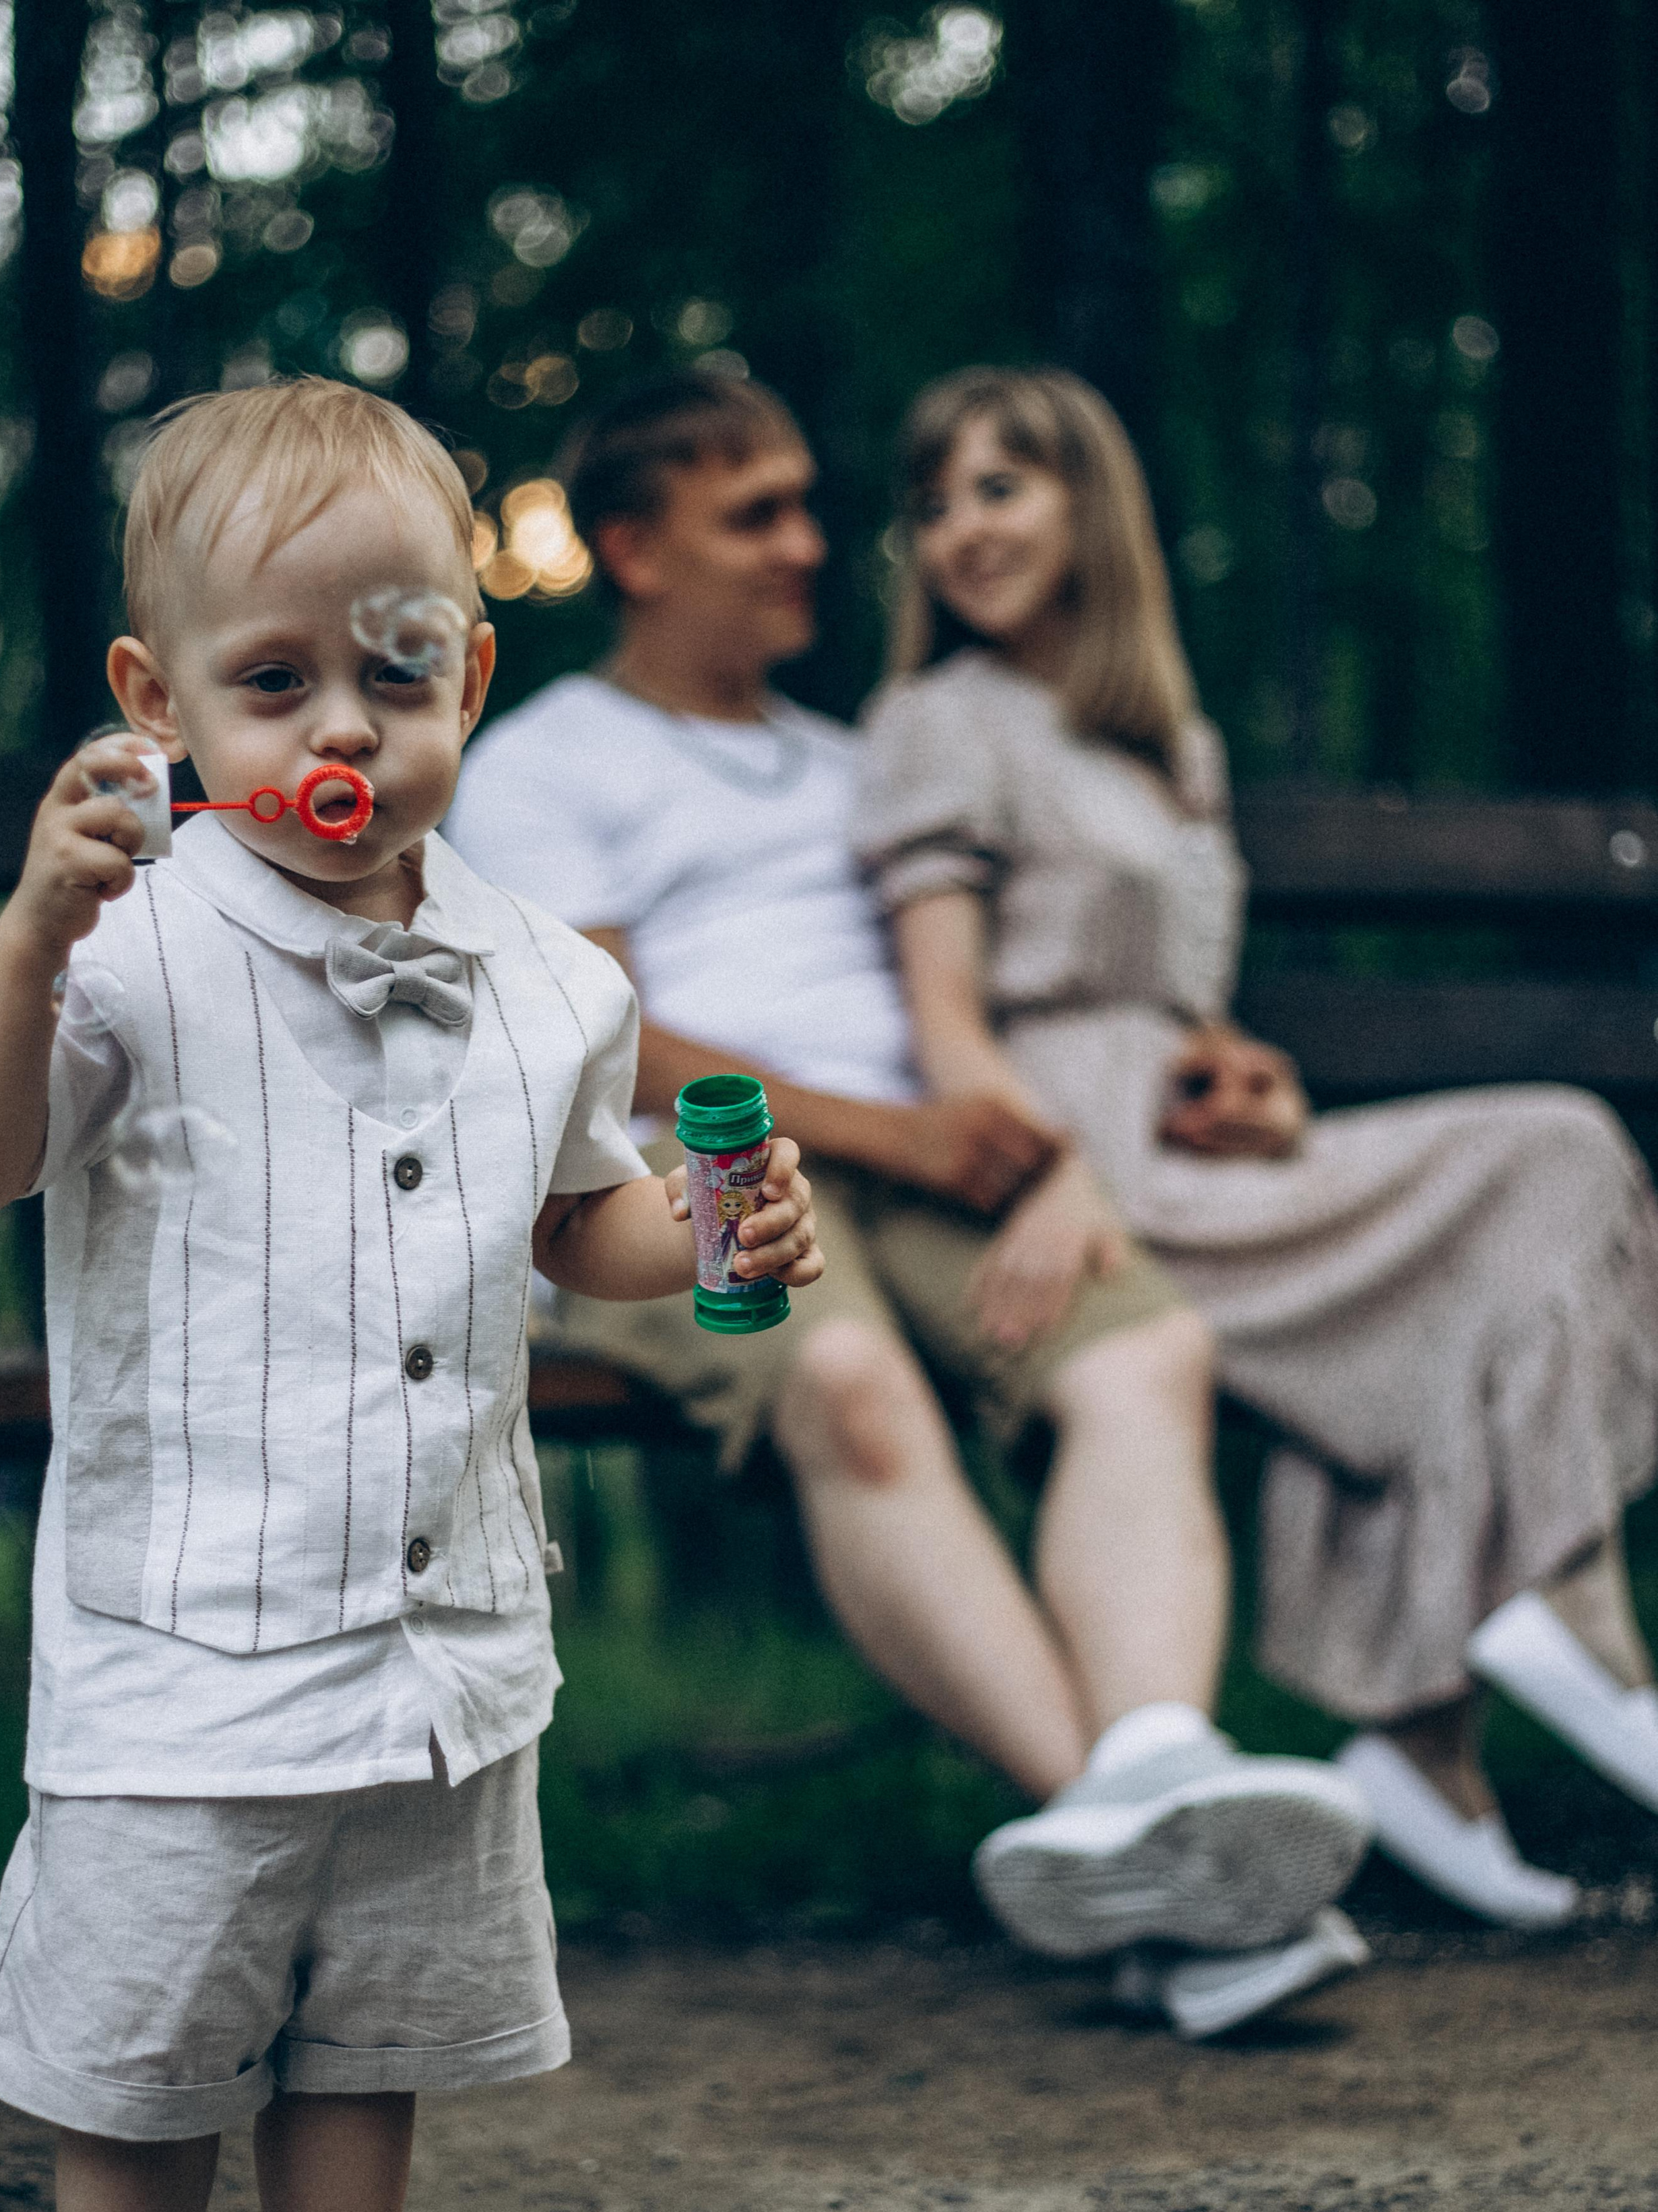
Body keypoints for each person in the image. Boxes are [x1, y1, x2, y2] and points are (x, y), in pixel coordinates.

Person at [0, 376, 820, 2212]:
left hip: (439, 1615)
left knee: (368, 2012)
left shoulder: (548, 975)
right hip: (192, 1622)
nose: (345, 724)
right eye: (274, 684)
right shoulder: (130, 948)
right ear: (158, 702)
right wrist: (32, 927)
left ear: (473, 672)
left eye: (396, 673)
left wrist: (714, 1234)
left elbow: (578, 1219)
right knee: (153, 2035)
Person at [449, 368, 1373, 2045]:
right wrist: (890, 1133)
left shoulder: (857, 754)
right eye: (761, 516)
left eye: (811, 503)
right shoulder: (548, 761)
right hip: (684, 1173)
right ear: (639, 552)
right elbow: (608, 1025)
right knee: (855, 1391)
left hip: (932, 1162)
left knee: (1140, 1364)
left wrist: (1144, 1091)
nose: (817, 545)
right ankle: (1133, 1829)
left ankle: (1154, 1772)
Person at [854, 362, 1658, 1930]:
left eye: (999, 488)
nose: (959, 530)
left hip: (1190, 1147)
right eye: (932, 502)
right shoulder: (933, 722)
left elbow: (1186, 1013)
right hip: (1075, 1161)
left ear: (1091, 504)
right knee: (1545, 1161)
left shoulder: (1168, 744)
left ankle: (1431, 1754)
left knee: (1537, 1196)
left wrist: (1258, 1090)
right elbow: (944, 1021)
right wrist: (1051, 1172)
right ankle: (1550, 1631)